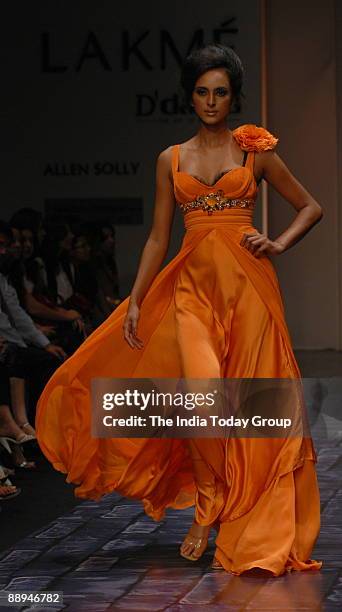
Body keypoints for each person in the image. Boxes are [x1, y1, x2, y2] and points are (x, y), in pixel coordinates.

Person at [36, 44, 323, 576]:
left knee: (256, 406)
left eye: (220, 92)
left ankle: (244, 516)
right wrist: (137, 299)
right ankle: (209, 502)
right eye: (202, 91)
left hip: (251, 289)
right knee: (201, 399)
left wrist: (278, 243)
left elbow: (311, 206)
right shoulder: (171, 158)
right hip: (191, 290)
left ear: (233, 96)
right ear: (189, 96)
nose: (211, 100)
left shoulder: (254, 150)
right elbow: (157, 238)